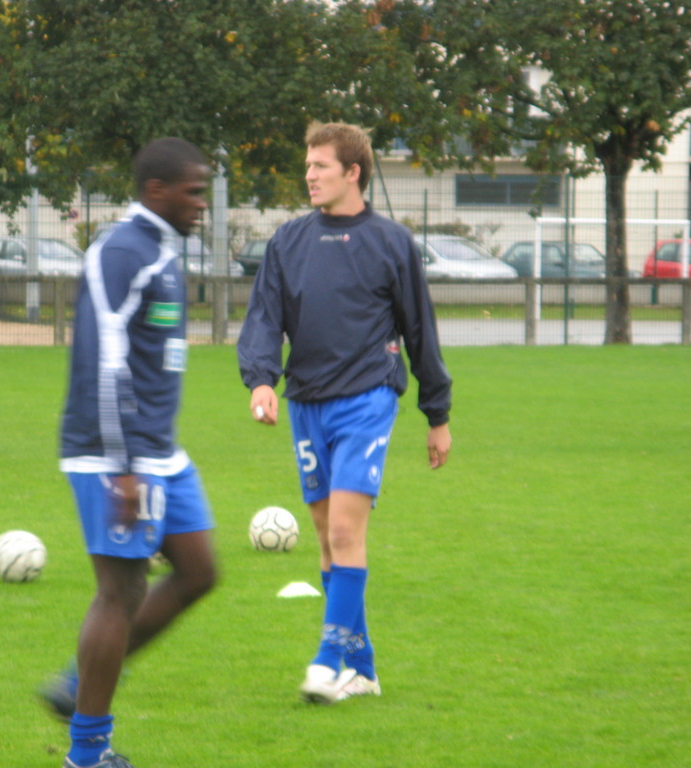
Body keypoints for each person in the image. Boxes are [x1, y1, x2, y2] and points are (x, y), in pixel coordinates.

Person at [237, 121, 452, 705]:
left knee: (344, 529)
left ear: (352, 172)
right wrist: (261, 381)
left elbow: (420, 334)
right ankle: (363, 667)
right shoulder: (288, 241)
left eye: (320, 166)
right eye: (307, 166)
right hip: (307, 403)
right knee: (327, 542)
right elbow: (263, 319)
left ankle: (328, 661)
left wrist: (437, 413)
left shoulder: (391, 243)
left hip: (367, 399)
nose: (308, 176)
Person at [47, 137, 218, 768]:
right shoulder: (120, 251)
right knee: (120, 590)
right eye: (193, 191)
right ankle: (87, 752)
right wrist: (123, 466)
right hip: (112, 453)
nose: (201, 203)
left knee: (200, 571)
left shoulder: (162, 252)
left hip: (161, 451)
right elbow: (105, 359)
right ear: (157, 191)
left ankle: (78, 681)